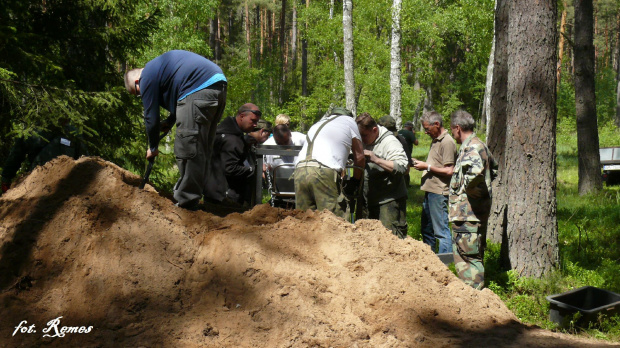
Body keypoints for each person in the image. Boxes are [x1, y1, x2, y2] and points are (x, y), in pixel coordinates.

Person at [124, 50, 227, 210]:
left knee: (188, 148)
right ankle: (207, 198)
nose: (141, 95)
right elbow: (179, 93)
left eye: (137, 93)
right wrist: (170, 121)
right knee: (202, 148)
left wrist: (153, 147)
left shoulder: (147, 77)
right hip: (217, 87)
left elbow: (151, 117)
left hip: (199, 89)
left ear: (138, 82)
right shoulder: (160, 69)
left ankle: (186, 204)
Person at [448, 110, 497, 290]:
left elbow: (475, 174)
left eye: (452, 130)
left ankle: (473, 299)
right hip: (471, 215)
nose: (453, 134)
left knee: (468, 260)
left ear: (458, 128)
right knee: (472, 256)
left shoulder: (472, 148)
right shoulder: (480, 145)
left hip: (467, 216)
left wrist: (471, 194)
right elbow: (494, 170)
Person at [294, 107, 365, 220]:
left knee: (304, 221)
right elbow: (360, 157)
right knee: (333, 222)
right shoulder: (349, 121)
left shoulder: (318, 123)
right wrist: (355, 181)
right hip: (322, 172)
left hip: (300, 170)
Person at [205, 104, 269, 207]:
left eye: (256, 122)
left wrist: (244, 143)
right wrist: (254, 170)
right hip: (225, 200)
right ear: (242, 116)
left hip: (214, 194)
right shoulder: (231, 139)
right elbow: (230, 168)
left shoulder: (228, 133)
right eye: (253, 121)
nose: (255, 125)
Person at [357, 114, 409, 238]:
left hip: (389, 201)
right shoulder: (363, 140)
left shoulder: (389, 141)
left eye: (364, 135)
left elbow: (402, 166)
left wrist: (376, 159)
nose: (362, 139)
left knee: (390, 241)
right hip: (368, 201)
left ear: (374, 130)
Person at [412, 111, 457, 254]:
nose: (426, 132)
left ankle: (445, 265)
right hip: (430, 191)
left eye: (427, 129)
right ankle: (430, 262)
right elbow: (437, 164)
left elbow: (450, 170)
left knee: (441, 232)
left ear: (436, 124)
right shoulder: (436, 139)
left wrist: (427, 167)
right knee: (426, 229)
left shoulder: (447, 142)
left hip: (439, 192)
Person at [1, 122, 87, 195]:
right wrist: (6, 178)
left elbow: (85, 160)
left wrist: (6, 178)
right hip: (36, 185)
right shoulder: (32, 131)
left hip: (66, 186)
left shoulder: (73, 133)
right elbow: (16, 155)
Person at [398, 121, 418, 186]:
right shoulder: (410, 133)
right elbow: (416, 143)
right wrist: (413, 134)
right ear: (410, 127)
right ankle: (406, 184)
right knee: (407, 169)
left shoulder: (399, 132)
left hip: (398, 152)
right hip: (407, 153)